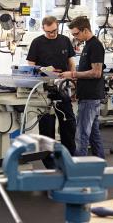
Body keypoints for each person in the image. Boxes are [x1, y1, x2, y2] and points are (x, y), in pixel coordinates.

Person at [26, 16, 76, 163]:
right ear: (43, 28)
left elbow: (71, 62)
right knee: (46, 128)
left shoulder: (65, 40)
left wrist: (72, 80)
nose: (52, 34)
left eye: (54, 31)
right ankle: (49, 162)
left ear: (58, 27)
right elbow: (30, 66)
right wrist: (43, 70)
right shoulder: (37, 43)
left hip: (63, 87)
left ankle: (69, 158)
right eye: (49, 32)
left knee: (68, 124)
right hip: (44, 90)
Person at [60, 16, 105, 159]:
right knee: (93, 133)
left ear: (85, 30)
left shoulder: (95, 45)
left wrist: (72, 74)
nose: (75, 37)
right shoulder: (87, 45)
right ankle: (100, 163)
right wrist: (77, 90)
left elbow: (96, 73)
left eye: (76, 34)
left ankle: (79, 170)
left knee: (81, 135)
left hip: (90, 98)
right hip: (87, 95)